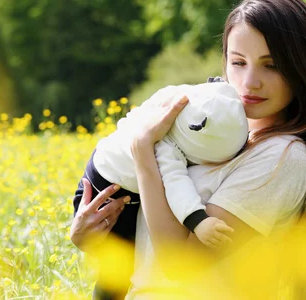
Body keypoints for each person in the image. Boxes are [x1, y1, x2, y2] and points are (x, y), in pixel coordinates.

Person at [70, 0, 306, 299]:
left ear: (302, 70)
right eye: (238, 62)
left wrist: (144, 150)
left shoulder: (281, 157)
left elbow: (180, 264)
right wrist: (91, 239)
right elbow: (149, 242)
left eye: (272, 66)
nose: (250, 81)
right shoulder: (214, 139)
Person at [72, 81, 248, 300]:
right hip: (109, 190)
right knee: (117, 271)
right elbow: (177, 188)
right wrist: (199, 222)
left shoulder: (177, 99)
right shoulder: (165, 147)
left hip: (103, 166)